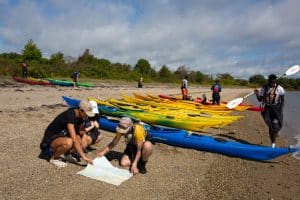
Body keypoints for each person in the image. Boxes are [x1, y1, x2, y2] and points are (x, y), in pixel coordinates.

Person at [39, 100, 95, 167]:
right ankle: (54, 158)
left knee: (79, 139)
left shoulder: (80, 117)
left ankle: (67, 154)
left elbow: (78, 134)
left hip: (61, 137)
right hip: (48, 142)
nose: (87, 116)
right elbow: (73, 139)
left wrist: (85, 132)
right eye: (86, 113)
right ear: (81, 110)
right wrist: (84, 157)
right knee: (69, 142)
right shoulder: (70, 115)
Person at [254, 74, 285, 148]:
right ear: (268, 81)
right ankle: (273, 140)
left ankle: (273, 144)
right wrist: (257, 94)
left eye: (274, 82)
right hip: (267, 109)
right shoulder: (264, 88)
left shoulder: (279, 88)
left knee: (275, 125)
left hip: (277, 108)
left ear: (275, 81)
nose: (272, 83)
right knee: (270, 127)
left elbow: (283, 100)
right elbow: (259, 100)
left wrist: (281, 110)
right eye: (271, 81)